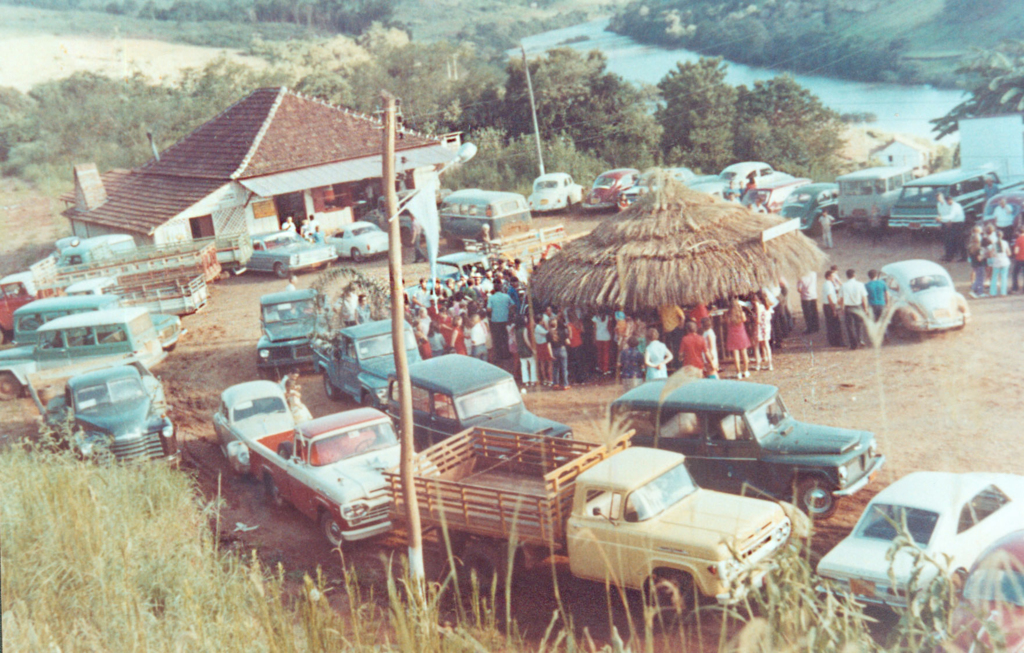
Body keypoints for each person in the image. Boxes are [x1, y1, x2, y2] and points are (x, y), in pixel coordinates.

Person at [839, 269, 868, 350]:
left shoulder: (844, 286)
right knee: (859, 324)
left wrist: (842, 308)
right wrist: (865, 308)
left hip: (848, 307)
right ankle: (860, 339)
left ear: (847, 276)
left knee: (849, 326)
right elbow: (864, 297)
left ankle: (853, 344)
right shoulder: (860, 284)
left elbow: (841, 299)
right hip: (858, 306)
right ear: (854, 275)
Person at [487, 280, 514, 359]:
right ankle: (507, 354)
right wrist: (506, 309)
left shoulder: (491, 297)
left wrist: (495, 310)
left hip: (495, 321)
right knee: (505, 337)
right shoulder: (506, 296)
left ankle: (499, 355)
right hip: (505, 320)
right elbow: (513, 305)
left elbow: (488, 309)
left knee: (497, 339)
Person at [724, 299, 751, 378]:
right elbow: (745, 320)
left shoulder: (727, 315)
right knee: (744, 354)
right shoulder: (741, 313)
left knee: (736, 355)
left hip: (732, 335)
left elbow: (726, 322)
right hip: (741, 334)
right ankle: (745, 371)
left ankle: (738, 372)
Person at [823, 269, 845, 347]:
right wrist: (834, 309)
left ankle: (834, 341)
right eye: (832, 276)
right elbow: (829, 297)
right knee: (834, 324)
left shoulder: (829, 283)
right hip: (829, 306)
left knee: (833, 324)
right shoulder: (828, 284)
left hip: (830, 305)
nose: (834, 278)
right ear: (828, 277)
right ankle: (837, 342)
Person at [753, 292, 773, 372]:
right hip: (767, 327)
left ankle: (758, 364)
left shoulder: (759, 307)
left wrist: (753, 317)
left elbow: (758, 320)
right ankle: (770, 364)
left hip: (760, 327)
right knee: (767, 345)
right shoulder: (767, 306)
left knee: (756, 346)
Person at [515, 316, 537, 388]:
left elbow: (515, 341)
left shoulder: (516, 330)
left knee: (523, 366)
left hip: (520, 349)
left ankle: (525, 381)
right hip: (526, 349)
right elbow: (526, 340)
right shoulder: (524, 329)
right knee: (532, 364)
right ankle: (533, 380)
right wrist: (532, 348)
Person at [989, 229, 1011, 297]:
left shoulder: (994, 244)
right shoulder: (1005, 243)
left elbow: (991, 254)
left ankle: (993, 293)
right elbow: (1009, 253)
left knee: (994, 277)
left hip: (996, 262)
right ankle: (1003, 292)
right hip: (1004, 261)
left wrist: (994, 255)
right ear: (1002, 235)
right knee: (1004, 277)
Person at [549, 318, 570, 390]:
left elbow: (548, 345)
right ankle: (565, 384)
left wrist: (550, 354)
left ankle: (555, 383)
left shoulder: (548, 333)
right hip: (562, 349)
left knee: (555, 368)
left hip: (554, 350)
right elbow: (568, 342)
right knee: (564, 368)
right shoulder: (562, 331)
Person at [968, 227, 987, 298]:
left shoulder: (970, 247)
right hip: (980, 264)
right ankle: (979, 292)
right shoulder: (979, 248)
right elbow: (980, 258)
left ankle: (974, 291)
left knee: (977, 278)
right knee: (980, 279)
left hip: (974, 264)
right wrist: (984, 254)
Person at [592, 311, 613, 376]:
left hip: (598, 337)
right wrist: (611, 335)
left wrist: (594, 338)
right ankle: (605, 369)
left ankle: (600, 367)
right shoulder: (608, 317)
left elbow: (595, 329)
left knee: (599, 353)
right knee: (606, 354)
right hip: (606, 337)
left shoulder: (595, 318)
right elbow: (609, 328)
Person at [534, 318, 553, 386]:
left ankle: (545, 379)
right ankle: (549, 379)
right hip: (544, 345)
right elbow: (547, 332)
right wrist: (546, 325)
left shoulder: (536, 327)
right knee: (549, 362)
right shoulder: (539, 328)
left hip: (539, 345)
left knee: (542, 363)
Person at [1012, 228, 1024, 293]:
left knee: (1015, 273)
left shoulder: (1018, 240)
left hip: (1019, 259)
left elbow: (1016, 251)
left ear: (1019, 232)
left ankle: (1015, 287)